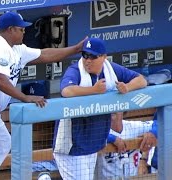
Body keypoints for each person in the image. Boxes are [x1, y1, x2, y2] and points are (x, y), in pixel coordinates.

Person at [0, 11, 85, 180]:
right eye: (21, 29)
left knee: (4, 144)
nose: (24, 31)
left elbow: (45, 54)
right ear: (10, 30)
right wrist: (25, 97)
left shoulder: (17, 49)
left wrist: (75, 49)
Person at [53, 37, 147, 180]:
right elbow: (66, 90)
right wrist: (94, 90)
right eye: (85, 55)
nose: (87, 60)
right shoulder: (75, 70)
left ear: (104, 57)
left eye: (92, 56)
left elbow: (141, 80)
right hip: (70, 146)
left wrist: (127, 87)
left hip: (91, 144)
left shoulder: (111, 69)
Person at [96, 112, 157, 179]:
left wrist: (152, 133)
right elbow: (89, 137)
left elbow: (160, 124)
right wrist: (113, 139)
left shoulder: (133, 126)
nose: (112, 110)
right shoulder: (98, 131)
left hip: (134, 178)